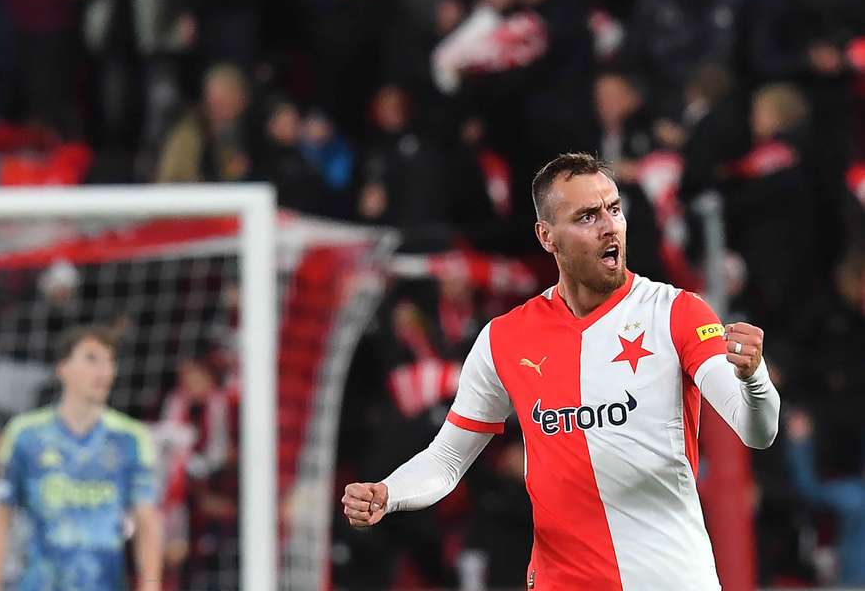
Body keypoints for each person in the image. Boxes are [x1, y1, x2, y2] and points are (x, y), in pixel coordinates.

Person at [342, 153, 781, 589]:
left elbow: (755, 430)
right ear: (547, 236)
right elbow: (449, 458)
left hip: (670, 578)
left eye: (613, 209)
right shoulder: (506, 339)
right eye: (587, 216)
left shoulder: (676, 313)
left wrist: (753, 379)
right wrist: (389, 492)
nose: (609, 225)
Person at [0, 325, 162, 591]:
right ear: (62, 368)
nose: (104, 371)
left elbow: (147, 522)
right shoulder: (25, 434)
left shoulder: (131, 438)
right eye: (91, 359)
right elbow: (0, 516)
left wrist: (151, 586)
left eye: (110, 361)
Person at [785, 410, 865, 586]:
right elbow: (809, 491)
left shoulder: (854, 496)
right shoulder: (854, 496)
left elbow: (808, 490)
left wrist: (800, 443)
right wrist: (800, 444)